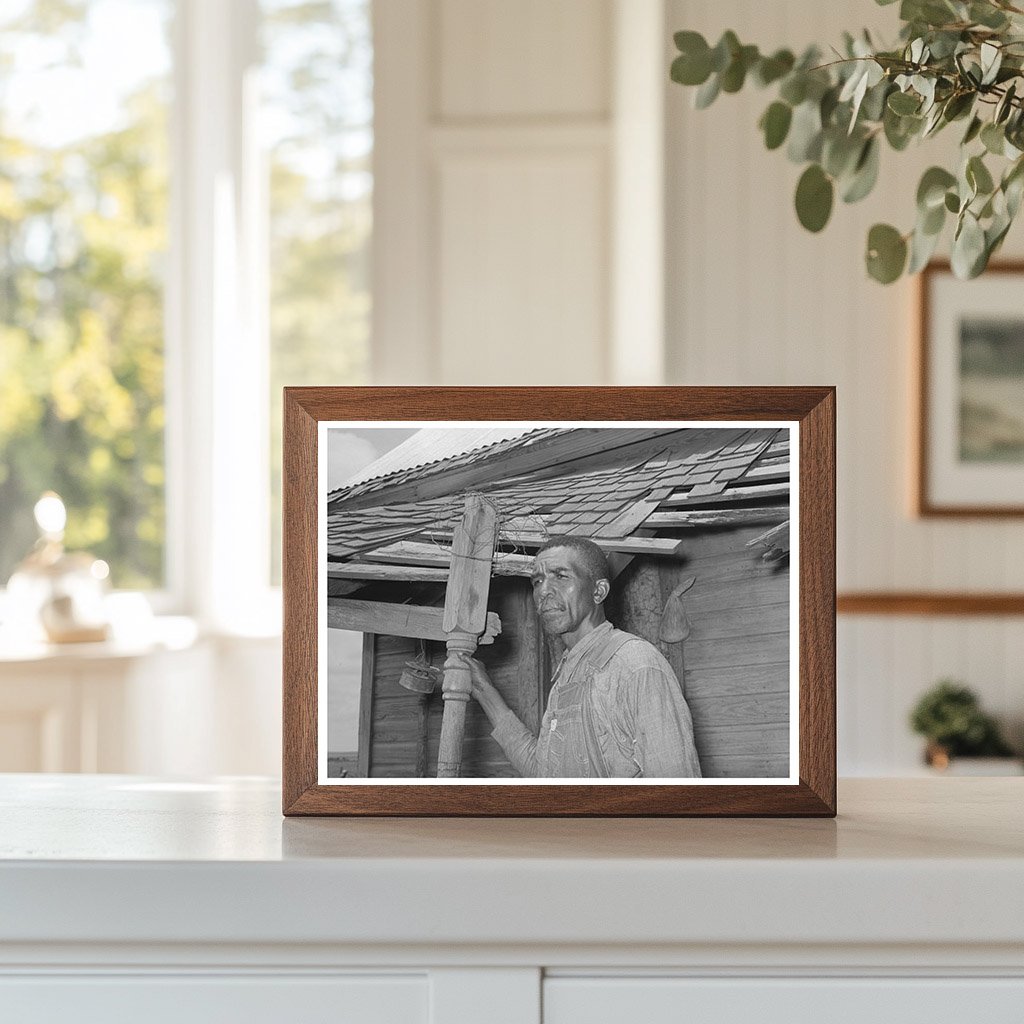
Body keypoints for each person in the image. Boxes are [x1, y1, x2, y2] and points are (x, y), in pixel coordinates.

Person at [463, 536, 702, 778]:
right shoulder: (568, 674)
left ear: (598, 591)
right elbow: (543, 773)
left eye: (561, 576)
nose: (543, 591)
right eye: (537, 581)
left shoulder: (635, 665)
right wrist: (483, 689)